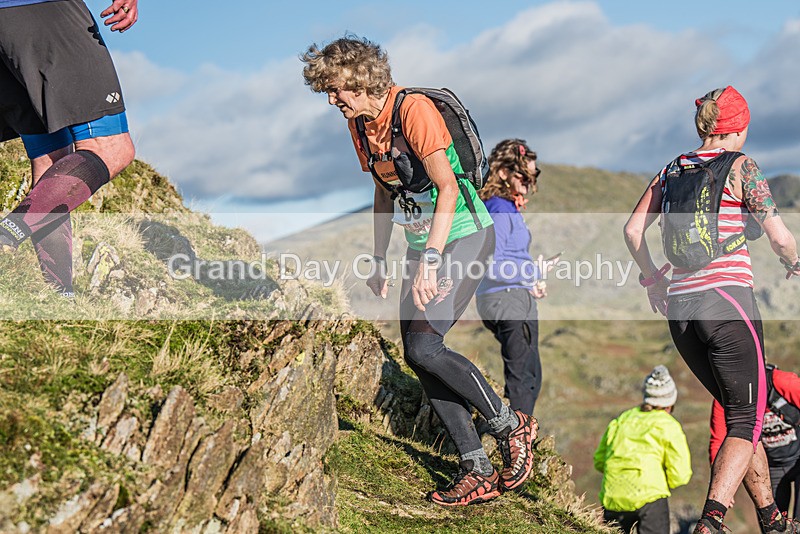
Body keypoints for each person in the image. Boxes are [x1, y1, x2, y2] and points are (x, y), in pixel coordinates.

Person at [302, 36, 537, 506]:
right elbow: (383, 192)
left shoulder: (414, 110)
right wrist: (379, 258)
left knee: (427, 345)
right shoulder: (359, 126)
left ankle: (510, 427)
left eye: (334, 89)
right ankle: (477, 468)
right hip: (420, 247)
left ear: (358, 78)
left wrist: (431, 260)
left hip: (465, 235)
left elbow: (447, 188)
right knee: (417, 353)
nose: (331, 100)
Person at [624, 85, 800, 534]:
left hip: (681, 311)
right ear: (738, 127)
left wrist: (653, 279)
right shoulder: (741, 166)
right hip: (727, 302)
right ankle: (712, 521)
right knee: (746, 418)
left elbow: (632, 231)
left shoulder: (672, 169)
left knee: (740, 413)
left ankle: (771, 519)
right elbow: (779, 236)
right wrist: (793, 262)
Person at [0, 0, 138, 298]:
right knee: (111, 147)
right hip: (42, 10)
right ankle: (5, 235)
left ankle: (59, 294)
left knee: (50, 162)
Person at [475, 138, 553, 416]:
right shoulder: (499, 208)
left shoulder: (505, 207)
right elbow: (491, 264)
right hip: (506, 299)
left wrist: (530, 282)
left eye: (533, 175)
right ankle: (518, 436)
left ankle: (515, 430)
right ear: (503, 172)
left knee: (530, 376)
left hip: (512, 295)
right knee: (523, 380)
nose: (529, 182)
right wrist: (533, 272)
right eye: (523, 175)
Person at [593, 365, 692, 534]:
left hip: (614, 496)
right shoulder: (669, 425)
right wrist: (662, 480)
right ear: (670, 402)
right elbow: (680, 475)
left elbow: (599, 461)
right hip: (650, 497)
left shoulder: (622, 419)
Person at [710, 363, 800, 520]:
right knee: (771, 524)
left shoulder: (783, 382)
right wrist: (722, 486)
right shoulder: (725, 397)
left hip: (798, 459)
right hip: (767, 469)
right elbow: (719, 441)